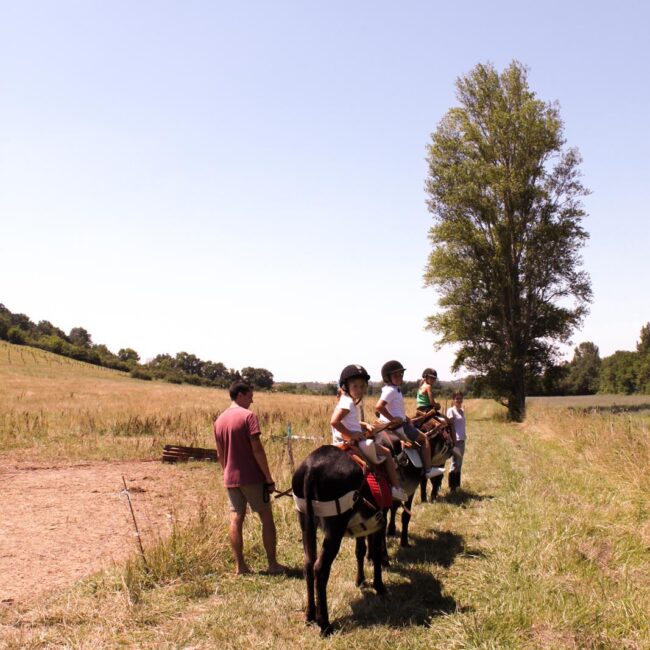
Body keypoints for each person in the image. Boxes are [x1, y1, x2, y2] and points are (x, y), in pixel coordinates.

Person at [214, 381, 286, 575]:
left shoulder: (219, 420)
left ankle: (241, 567)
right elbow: (257, 448)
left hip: (230, 477)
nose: (252, 400)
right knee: (267, 518)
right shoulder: (248, 416)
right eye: (250, 396)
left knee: (236, 519)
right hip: (251, 477)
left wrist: (227, 472)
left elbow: (220, 454)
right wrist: (268, 478)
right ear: (240, 395)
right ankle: (272, 564)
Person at [331, 364, 408, 501]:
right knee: (386, 453)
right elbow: (334, 422)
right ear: (346, 386)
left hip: (349, 440)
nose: (359, 390)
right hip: (353, 442)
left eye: (362, 386)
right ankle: (395, 488)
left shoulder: (347, 401)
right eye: (355, 386)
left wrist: (364, 424)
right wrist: (352, 434)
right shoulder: (348, 403)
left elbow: (348, 421)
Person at [374, 360, 441, 480]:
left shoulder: (390, 389)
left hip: (392, 423)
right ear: (388, 377)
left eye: (401, 374)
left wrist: (406, 418)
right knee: (424, 439)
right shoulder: (392, 390)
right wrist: (393, 419)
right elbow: (378, 407)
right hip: (398, 426)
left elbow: (395, 409)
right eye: (396, 375)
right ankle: (428, 470)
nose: (399, 377)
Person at [446, 391, 467, 491]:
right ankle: (452, 487)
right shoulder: (451, 410)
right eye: (457, 398)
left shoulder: (462, 411)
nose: (459, 400)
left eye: (460, 398)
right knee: (454, 463)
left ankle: (457, 485)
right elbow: (449, 426)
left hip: (462, 440)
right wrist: (452, 440)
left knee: (460, 463)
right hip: (456, 440)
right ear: (453, 400)